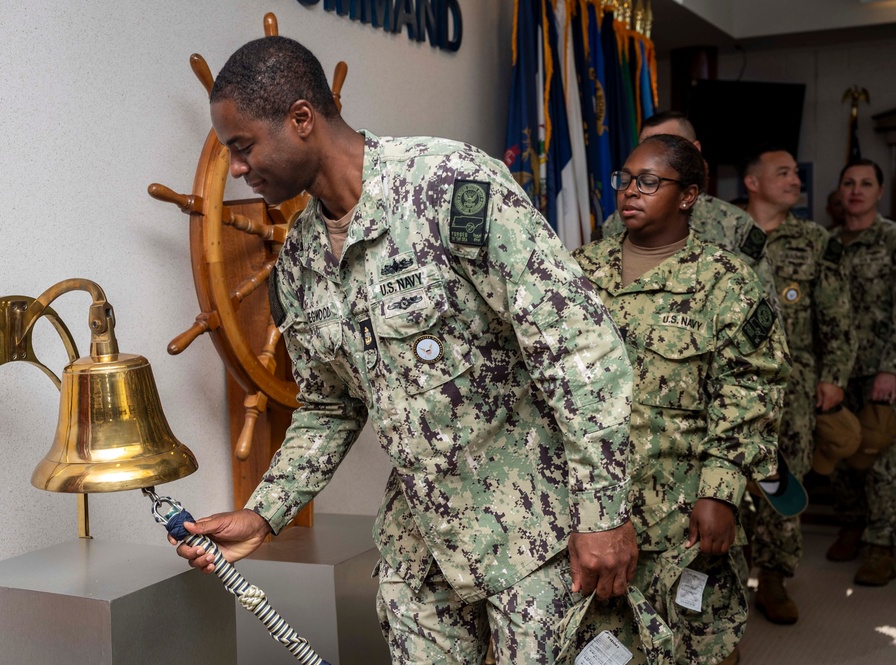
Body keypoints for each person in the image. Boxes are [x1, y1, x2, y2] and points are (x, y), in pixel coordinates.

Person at [172, 36, 639, 664]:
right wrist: (265, 513)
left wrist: (604, 510)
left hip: (536, 539)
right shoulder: (303, 258)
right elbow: (329, 406)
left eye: (243, 146)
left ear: (302, 119)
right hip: (422, 547)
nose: (236, 168)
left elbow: (578, 347)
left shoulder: (450, 187)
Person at [571, 134, 790, 665]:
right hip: (596, 509)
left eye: (649, 181)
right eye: (625, 180)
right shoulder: (575, 272)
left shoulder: (726, 280)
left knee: (695, 644)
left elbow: (751, 391)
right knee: (600, 647)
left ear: (689, 195)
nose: (630, 191)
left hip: (683, 513)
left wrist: (721, 490)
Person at [740, 146, 854, 623]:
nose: (795, 180)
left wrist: (834, 377)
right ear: (753, 182)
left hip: (796, 382)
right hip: (734, 381)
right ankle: (722, 576)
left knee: (786, 480)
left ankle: (773, 577)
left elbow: (837, 314)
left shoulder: (815, 239)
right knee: (728, 479)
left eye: (795, 173)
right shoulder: (724, 233)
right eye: (782, 172)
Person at [600, 111, 780, 313]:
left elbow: (763, 312)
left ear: (695, 150)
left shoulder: (734, 225)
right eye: (645, 145)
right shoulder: (616, 224)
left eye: (668, 144)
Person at [828, 159, 896, 586]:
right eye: (849, 183)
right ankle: (851, 524)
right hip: (837, 368)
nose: (856, 191)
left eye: (865, 184)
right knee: (838, 452)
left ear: (879, 192)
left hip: (880, 369)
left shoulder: (891, 238)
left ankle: (881, 544)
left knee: (880, 459)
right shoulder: (828, 242)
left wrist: (891, 368)